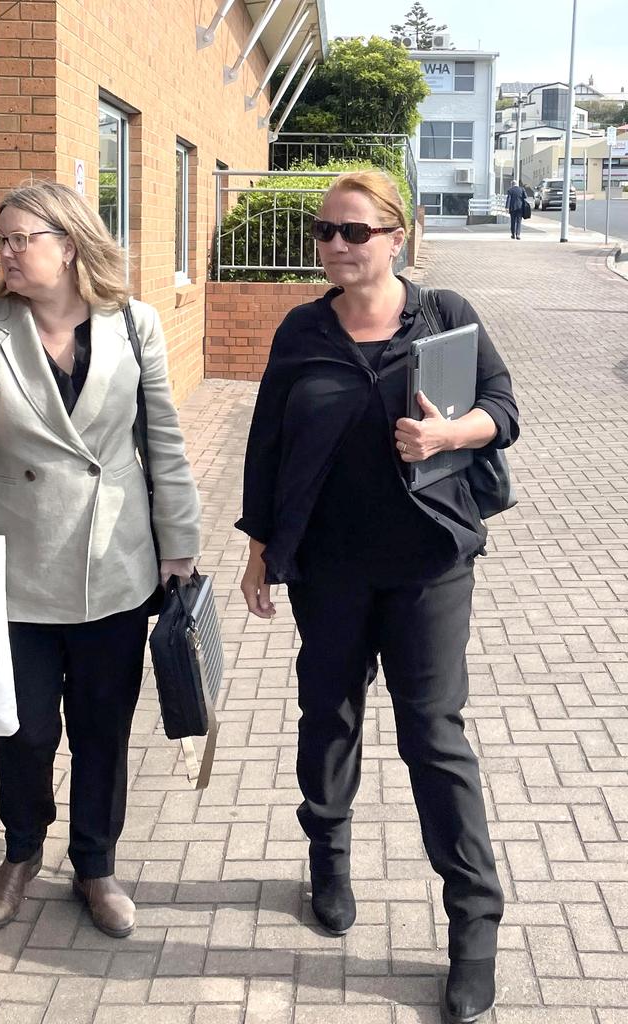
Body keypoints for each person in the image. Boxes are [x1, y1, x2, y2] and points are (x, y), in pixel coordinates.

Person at [236, 170, 519, 1024]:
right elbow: (268, 442)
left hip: (428, 565)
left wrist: (447, 432)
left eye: (355, 231)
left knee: (434, 737)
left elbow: (503, 409)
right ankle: (328, 854)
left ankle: (474, 926)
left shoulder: (444, 315)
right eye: (325, 232)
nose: (336, 247)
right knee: (328, 714)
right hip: (329, 568)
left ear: (398, 236)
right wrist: (258, 550)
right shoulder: (301, 330)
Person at [0, 181, 200, 937]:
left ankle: (96, 865)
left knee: (103, 726)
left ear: (68, 243)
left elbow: (165, 444)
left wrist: (180, 546)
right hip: (19, 571)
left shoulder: (134, 323)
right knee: (26, 730)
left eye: (20, 239)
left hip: (114, 564)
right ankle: (19, 853)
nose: (6, 253)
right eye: (1, 241)